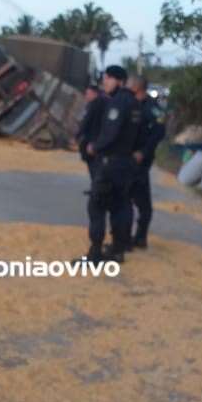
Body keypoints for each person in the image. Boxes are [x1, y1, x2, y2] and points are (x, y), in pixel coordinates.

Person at [80, 65, 141, 263]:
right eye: (104, 78)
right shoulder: (135, 103)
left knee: (97, 204)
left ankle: (95, 252)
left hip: (110, 163)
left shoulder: (117, 103)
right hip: (126, 163)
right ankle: (117, 250)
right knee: (119, 205)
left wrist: (95, 147)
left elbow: (111, 134)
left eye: (109, 78)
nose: (105, 82)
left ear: (120, 81)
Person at [126, 75, 166, 249]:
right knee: (125, 198)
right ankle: (124, 235)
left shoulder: (151, 108)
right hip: (127, 157)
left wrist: (143, 151)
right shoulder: (131, 104)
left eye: (129, 85)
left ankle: (140, 237)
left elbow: (159, 132)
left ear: (136, 87)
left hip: (140, 160)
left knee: (142, 199)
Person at [76, 84, 105, 179]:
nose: (87, 96)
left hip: (91, 139)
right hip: (99, 139)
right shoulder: (104, 103)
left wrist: (78, 135)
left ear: (95, 93)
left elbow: (86, 121)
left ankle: (95, 184)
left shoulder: (92, 105)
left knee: (93, 166)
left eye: (88, 94)